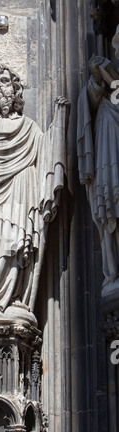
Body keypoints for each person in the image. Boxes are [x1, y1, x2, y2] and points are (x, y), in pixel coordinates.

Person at [0, 64, 69, 325]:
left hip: (20, 193)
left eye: (6, 81)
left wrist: (59, 120)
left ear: (16, 90)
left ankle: (14, 299)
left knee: (16, 243)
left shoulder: (29, 129)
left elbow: (46, 154)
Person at [77, 26, 119, 297]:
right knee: (110, 211)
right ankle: (113, 272)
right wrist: (97, 79)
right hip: (108, 151)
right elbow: (88, 108)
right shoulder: (107, 88)